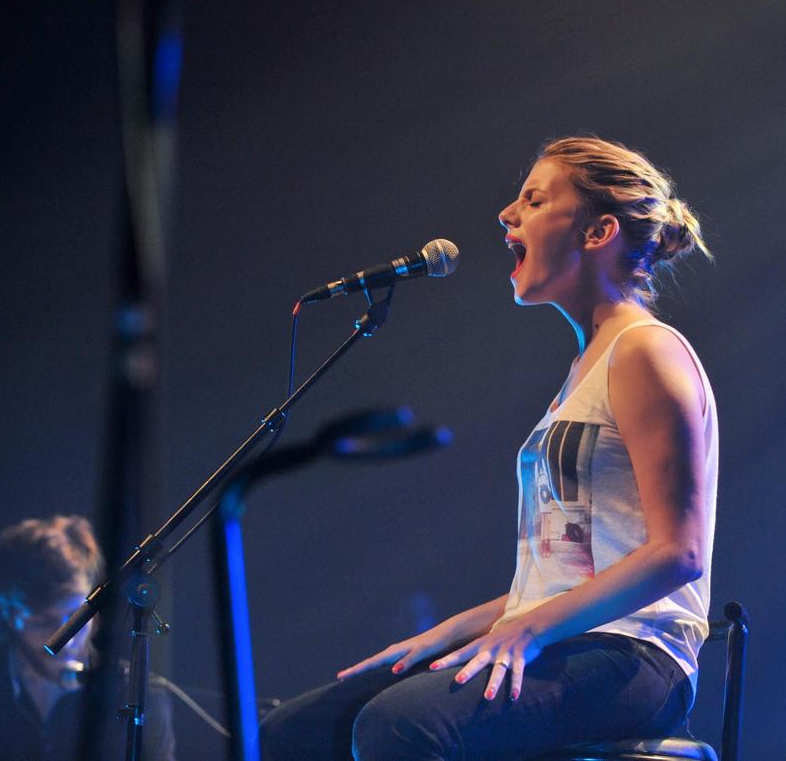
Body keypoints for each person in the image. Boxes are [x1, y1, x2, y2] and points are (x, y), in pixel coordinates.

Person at [261, 136, 719, 760]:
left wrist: (527, 626)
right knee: (292, 732)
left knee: (401, 725)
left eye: (533, 199)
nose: (507, 215)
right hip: (562, 635)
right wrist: (455, 631)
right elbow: (571, 571)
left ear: (599, 231)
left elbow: (679, 552)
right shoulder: (584, 367)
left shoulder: (645, 350)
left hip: (634, 655)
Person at [0, 514, 177, 760]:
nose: (66, 640)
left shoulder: (139, 695)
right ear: (7, 614)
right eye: (42, 622)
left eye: (75, 616)